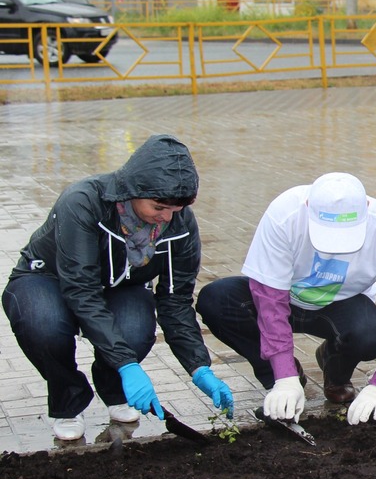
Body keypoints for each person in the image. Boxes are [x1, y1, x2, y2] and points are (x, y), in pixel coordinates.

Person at [2, 134, 234, 441]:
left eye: (175, 209)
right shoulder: (83, 202)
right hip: (50, 279)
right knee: (43, 326)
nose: (166, 217)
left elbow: (175, 300)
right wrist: (128, 364)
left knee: (136, 329)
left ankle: (114, 388)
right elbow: (81, 289)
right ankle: (68, 397)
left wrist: (198, 366)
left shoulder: (180, 224)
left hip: (121, 284)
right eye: (159, 206)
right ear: (134, 190)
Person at [196, 173, 376, 426]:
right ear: (308, 208)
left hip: (341, 304)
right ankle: (278, 378)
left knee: (370, 334)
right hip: (283, 297)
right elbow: (270, 301)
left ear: (367, 209)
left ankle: (335, 368)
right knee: (216, 300)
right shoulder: (285, 214)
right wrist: (284, 376)